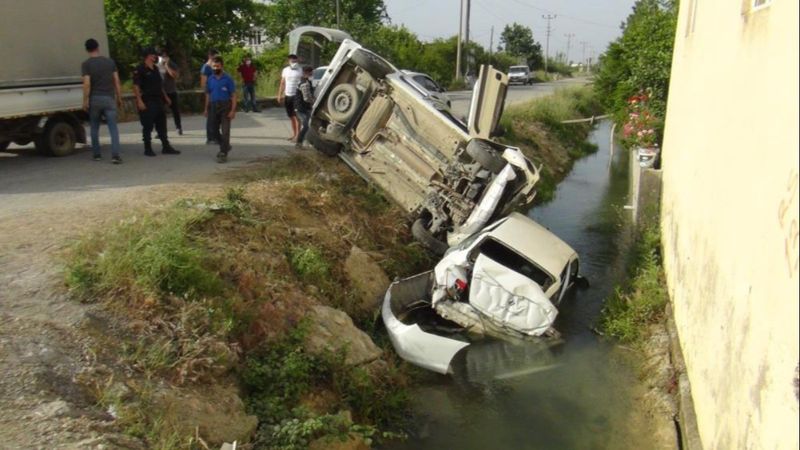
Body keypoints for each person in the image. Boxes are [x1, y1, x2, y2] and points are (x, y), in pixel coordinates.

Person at [81, 38, 123, 164]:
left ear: (87, 49)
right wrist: (119, 97)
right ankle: (115, 155)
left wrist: (85, 100)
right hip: (109, 98)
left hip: (95, 99)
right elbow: (116, 81)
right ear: (98, 47)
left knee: (94, 127)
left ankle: (97, 154)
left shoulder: (86, 64)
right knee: (113, 128)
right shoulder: (110, 62)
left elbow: (87, 84)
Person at [132, 47, 180, 157]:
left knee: (162, 124)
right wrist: (139, 101)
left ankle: (166, 146)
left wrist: (166, 97)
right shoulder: (140, 69)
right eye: (153, 54)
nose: (155, 56)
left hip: (158, 99)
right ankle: (147, 148)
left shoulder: (156, 69)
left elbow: (160, 85)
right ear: (148, 56)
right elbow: (136, 86)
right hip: (147, 100)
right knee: (148, 125)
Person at [204, 56, 237, 163]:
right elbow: (208, 94)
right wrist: (206, 108)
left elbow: (233, 95)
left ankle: (223, 153)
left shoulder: (228, 79)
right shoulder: (210, 79)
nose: (215, 68)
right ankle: (225, 145)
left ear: (222, 66)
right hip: (213, 106)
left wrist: (233, 110)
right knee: (213, 130)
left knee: (225, 130)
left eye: (217, 66)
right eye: (213, 66)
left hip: (225, 106)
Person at [277, 54, 302, 142]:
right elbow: (282, 83)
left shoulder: (300, 70)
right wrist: (279, 95)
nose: (293, 62)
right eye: (291, 60)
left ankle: (298, 136)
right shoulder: (285, 70)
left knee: (297, 117)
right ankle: (294, 134)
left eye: (294, 60)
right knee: (291, 116)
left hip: (297, 96)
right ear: (289, 61)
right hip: (288, 95)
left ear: (297, 60)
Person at [157, 49, 182, 135]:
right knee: (160, 112)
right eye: (162, 56)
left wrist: (167, 66)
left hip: (171, 91)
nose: (163, 58)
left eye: (165, 56)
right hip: (161, 92)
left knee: (176, 111)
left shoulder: (172, 65)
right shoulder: (157, 66)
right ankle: (161, 130)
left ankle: (178, 127)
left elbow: (175, 76)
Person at [200, 49, 219, 144]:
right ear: (210, 56)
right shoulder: (206, 68)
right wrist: (208, 93)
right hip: (210, 95)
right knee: (211, 117)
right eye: (215, 57)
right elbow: (203, 83)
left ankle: (216, 135)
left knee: (216, 117)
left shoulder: (215, 67)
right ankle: (210, 137)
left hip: (217, 95)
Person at [294, 66, 315, 149]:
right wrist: (314, 102)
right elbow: (307, 98)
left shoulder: (307, 81)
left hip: (304, 107)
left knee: (308, 125)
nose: (312, 73)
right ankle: (298, 143)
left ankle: (305, 142)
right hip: (301, 108)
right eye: (311, 72)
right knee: (306, 125)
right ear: (308, 72)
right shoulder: (304, 83)